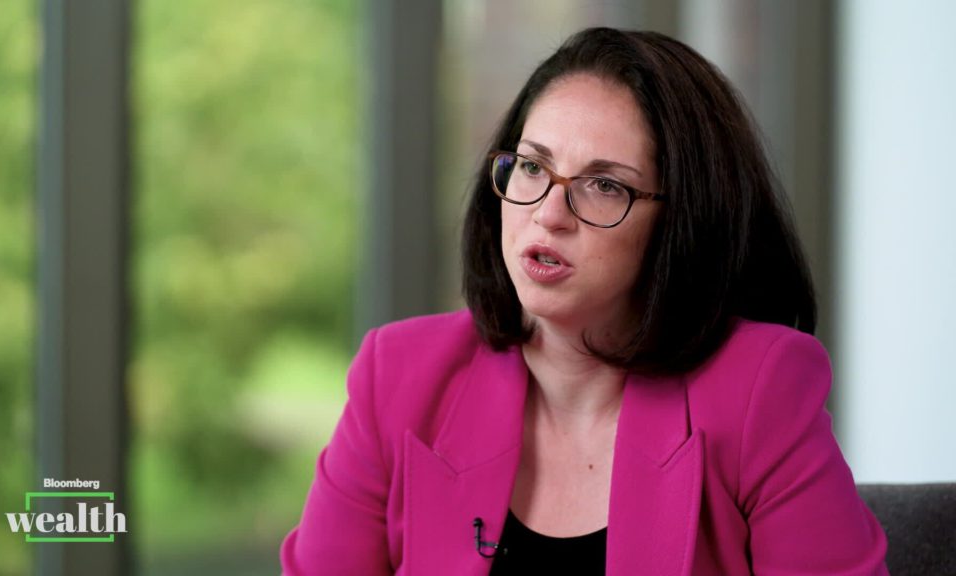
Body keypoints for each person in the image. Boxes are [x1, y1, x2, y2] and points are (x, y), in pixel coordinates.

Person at [280, 27, 888, 575]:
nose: (548, 213)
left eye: (604, 185)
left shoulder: (760, 390)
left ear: (682, 221)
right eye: (531, 166)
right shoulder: (399, 376)